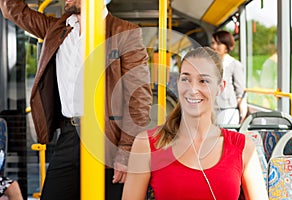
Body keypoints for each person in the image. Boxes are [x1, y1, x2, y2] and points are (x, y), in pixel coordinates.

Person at [0, 0, 152, 199]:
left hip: (108, 138)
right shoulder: (57, 28)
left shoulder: (125, 32)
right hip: (69, 133)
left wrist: (125, 152)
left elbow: (138, 98)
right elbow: (13, 10)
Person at [122, 47, 268, 200]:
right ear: (177, 83)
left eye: (203, 81)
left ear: (220, 87)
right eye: (185, 79)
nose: (193, 89)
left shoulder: (242, 146)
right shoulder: (147, 143)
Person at [211, 30, 248, 125]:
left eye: (218, 44)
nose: (214, 47)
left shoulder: (235, 65)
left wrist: (243, 113)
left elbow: (240, 92)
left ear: (227, 46)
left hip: (228, 111)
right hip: (213, 110)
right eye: (213, 43)